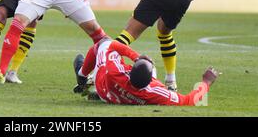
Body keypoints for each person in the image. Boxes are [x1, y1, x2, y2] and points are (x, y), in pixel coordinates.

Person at [73, 39, 219, 105]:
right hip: (113, 98)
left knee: (101, 42)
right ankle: (91, 88)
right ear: (151, 80)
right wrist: (206, 82)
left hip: (104, 88)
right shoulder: (155, 92)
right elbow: (189, 100)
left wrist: (135, 57)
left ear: (130, 72)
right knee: (152, 67)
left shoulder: (115, 72)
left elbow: (109, 44)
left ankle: (82, 75)